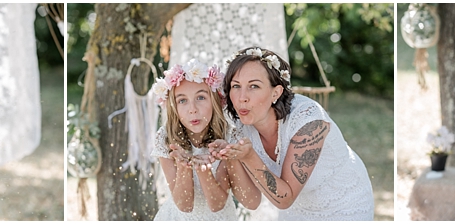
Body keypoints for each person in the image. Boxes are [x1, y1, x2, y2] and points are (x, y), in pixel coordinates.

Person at [209, 47, 374, 220]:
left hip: (344, 205)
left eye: (254, 86)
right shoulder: (239, 129)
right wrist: (232, 156)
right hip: (298, 209)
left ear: (276, 92)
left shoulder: (308, 121)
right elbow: (252, 202)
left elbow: (285, 199)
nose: (242, 97)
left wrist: (249, 156)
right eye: (236, 86)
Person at [150, 59, 246, 220]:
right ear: (173, 106)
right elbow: (184, 205)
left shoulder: (229, 138)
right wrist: (184, 167)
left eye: (200, 98)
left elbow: (217, 204)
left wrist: (204, 171)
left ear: (215, 101)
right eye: (182, 100)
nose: (192, 109)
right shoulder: (166, 139)